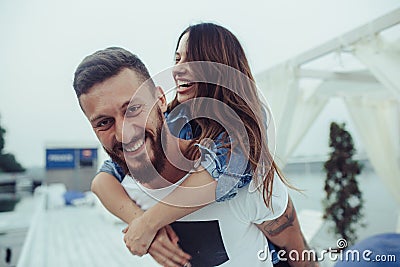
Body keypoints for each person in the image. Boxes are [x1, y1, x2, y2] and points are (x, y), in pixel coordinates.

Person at [73, 49, 317, 267]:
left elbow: (299, 256)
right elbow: (100, 182)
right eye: (104, 122)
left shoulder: (247, 180)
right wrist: (141, 224)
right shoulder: (123, 186)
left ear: (160, 99)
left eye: (134, 109)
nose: (123, 133)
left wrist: (146, 225)